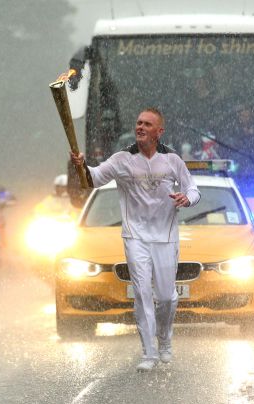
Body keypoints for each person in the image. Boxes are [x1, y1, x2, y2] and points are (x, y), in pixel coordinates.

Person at [70, 107, 200, 372]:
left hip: (165, 236)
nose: (140, 127)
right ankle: (149, 353)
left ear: (159, 131)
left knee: (166, 297)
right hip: (135, 236)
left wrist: (188, 199)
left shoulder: (172, 160)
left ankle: (164, 339)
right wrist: (81, 165)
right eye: (138, 123)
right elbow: (93, 179)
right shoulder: (122, 159)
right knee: (142, 292)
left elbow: (193, 188)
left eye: (147, 124)